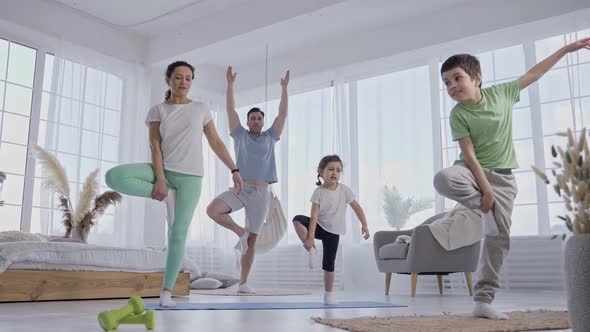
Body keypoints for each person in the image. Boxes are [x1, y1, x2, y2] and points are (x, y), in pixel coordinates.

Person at [434, 38, 590, 319]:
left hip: (504, 181)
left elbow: (536, 72)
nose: (452, 86)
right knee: (443, 178)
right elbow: (469, 156)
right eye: (446, 83)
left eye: (457, 78)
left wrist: (568, 49)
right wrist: (484, 194)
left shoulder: (502, 94)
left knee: (498, 241)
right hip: (471, 172)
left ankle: (483, 300)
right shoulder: (458, 114)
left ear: (477, 78)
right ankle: (487, 212)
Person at [105, 61, 243, 307]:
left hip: (191, 179)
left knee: (177, 234)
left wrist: (234, 169)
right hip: (165, 173)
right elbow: (155, 147)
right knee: (114, 176)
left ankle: (166, 292)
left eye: (189, 78)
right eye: (178, 77)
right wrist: (160, 180)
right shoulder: (158, 110)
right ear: (168, 80)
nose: (184, 82)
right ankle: (165, 193)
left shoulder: (201, 108)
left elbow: (216, 142)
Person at [206, 66, 289, 294]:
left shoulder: (271, 137)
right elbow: (230, 110)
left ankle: (243, 283)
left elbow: (282, 115)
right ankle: (239, 233)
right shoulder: (239, 134)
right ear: (247, 121)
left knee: (253, 239)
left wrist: (284, 89)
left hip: (261, 193)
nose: (255, 120)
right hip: (241, 187)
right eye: (252, 118)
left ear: (263, 122)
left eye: (259, 118)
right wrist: (230, 84)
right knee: (213, 210)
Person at [292, 154, 370, 304]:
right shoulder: (319, 192)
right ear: (321, 172)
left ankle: (328, 296)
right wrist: (310, 238)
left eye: (338, 170)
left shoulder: (344, 190)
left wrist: (364, 225)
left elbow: (357, 208)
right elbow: (313, 217)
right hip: (319, 226)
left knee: (329, 264)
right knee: (297, 220)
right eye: (331, 169)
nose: (335, 173)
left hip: (333, 231)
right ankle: (311, 248)